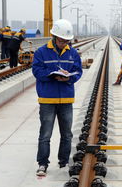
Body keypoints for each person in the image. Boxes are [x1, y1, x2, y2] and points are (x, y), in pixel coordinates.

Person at [32, 19, 83, 176]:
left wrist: (69, 78)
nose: (63, 43)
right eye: (61, 40)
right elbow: (36, 71)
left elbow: (78, 71)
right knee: (45, 134)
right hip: (47, 99)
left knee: (67, 134)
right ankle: (42, 164)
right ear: (54, 37)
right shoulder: (41, 52)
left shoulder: (73, 53)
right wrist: (52, 76)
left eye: (66, 41)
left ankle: (63, 162)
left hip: (66, 99)